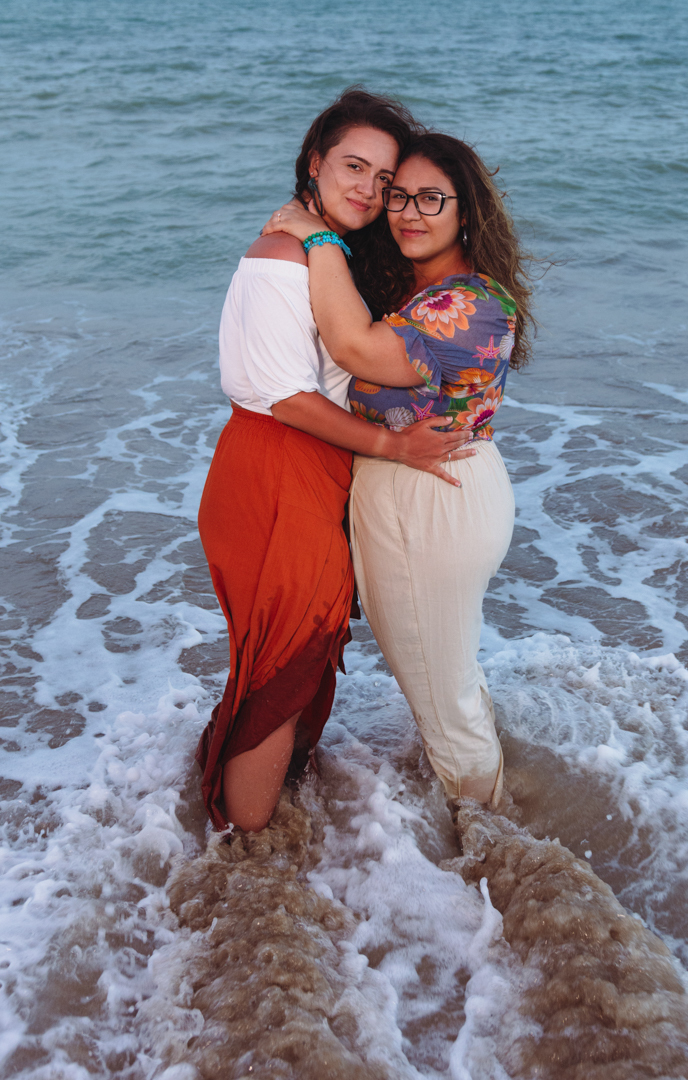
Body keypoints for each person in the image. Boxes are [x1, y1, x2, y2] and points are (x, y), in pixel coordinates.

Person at [196, 94, 473, 833]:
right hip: (275, 469)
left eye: (385, 180)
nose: (369, 190)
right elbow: (287, 398)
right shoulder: (283, 260)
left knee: (292, 654)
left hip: (303, 471)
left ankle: (251, 815)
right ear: (315, 162)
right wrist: (392, 445)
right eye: (354, 166)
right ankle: (250, 861)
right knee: (281, 665)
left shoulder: (320, 252)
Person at [263, 131, 534, 808]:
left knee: (444, 702)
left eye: (430, 199)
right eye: (397, 195)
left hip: (430, 501)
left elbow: (354, 346)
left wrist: (315, 238)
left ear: (465, 211)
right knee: (448, 682)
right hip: (430, 492)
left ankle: (498, 853)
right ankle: (493, 801)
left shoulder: (469, 303)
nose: (409, 212)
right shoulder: (421, 288)